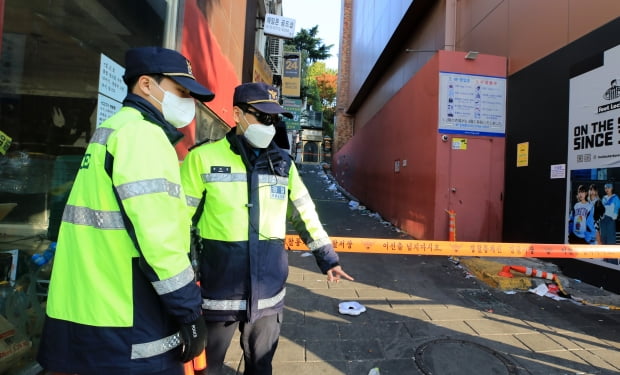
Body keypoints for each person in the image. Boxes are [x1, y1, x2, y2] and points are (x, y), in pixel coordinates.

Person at [37, 47, 215, 375]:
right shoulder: (144, 136)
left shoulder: (114, 128)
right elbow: (158, 240)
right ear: (146, 84)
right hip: (126, 315)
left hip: (90, 308)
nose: (188, 102)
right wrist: (190, 313)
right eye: (181, 91)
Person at [180, 82, 354, 375]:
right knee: (207, 368)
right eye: (261, 116)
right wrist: (182, 277)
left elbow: (305, 214)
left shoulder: (283, 164)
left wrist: (328, 258)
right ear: (237, 114)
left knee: (261, 366)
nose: (268, 124)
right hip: (218, 291)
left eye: (273, 118)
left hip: (268, 293)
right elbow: (179, 220)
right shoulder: (202, 158)